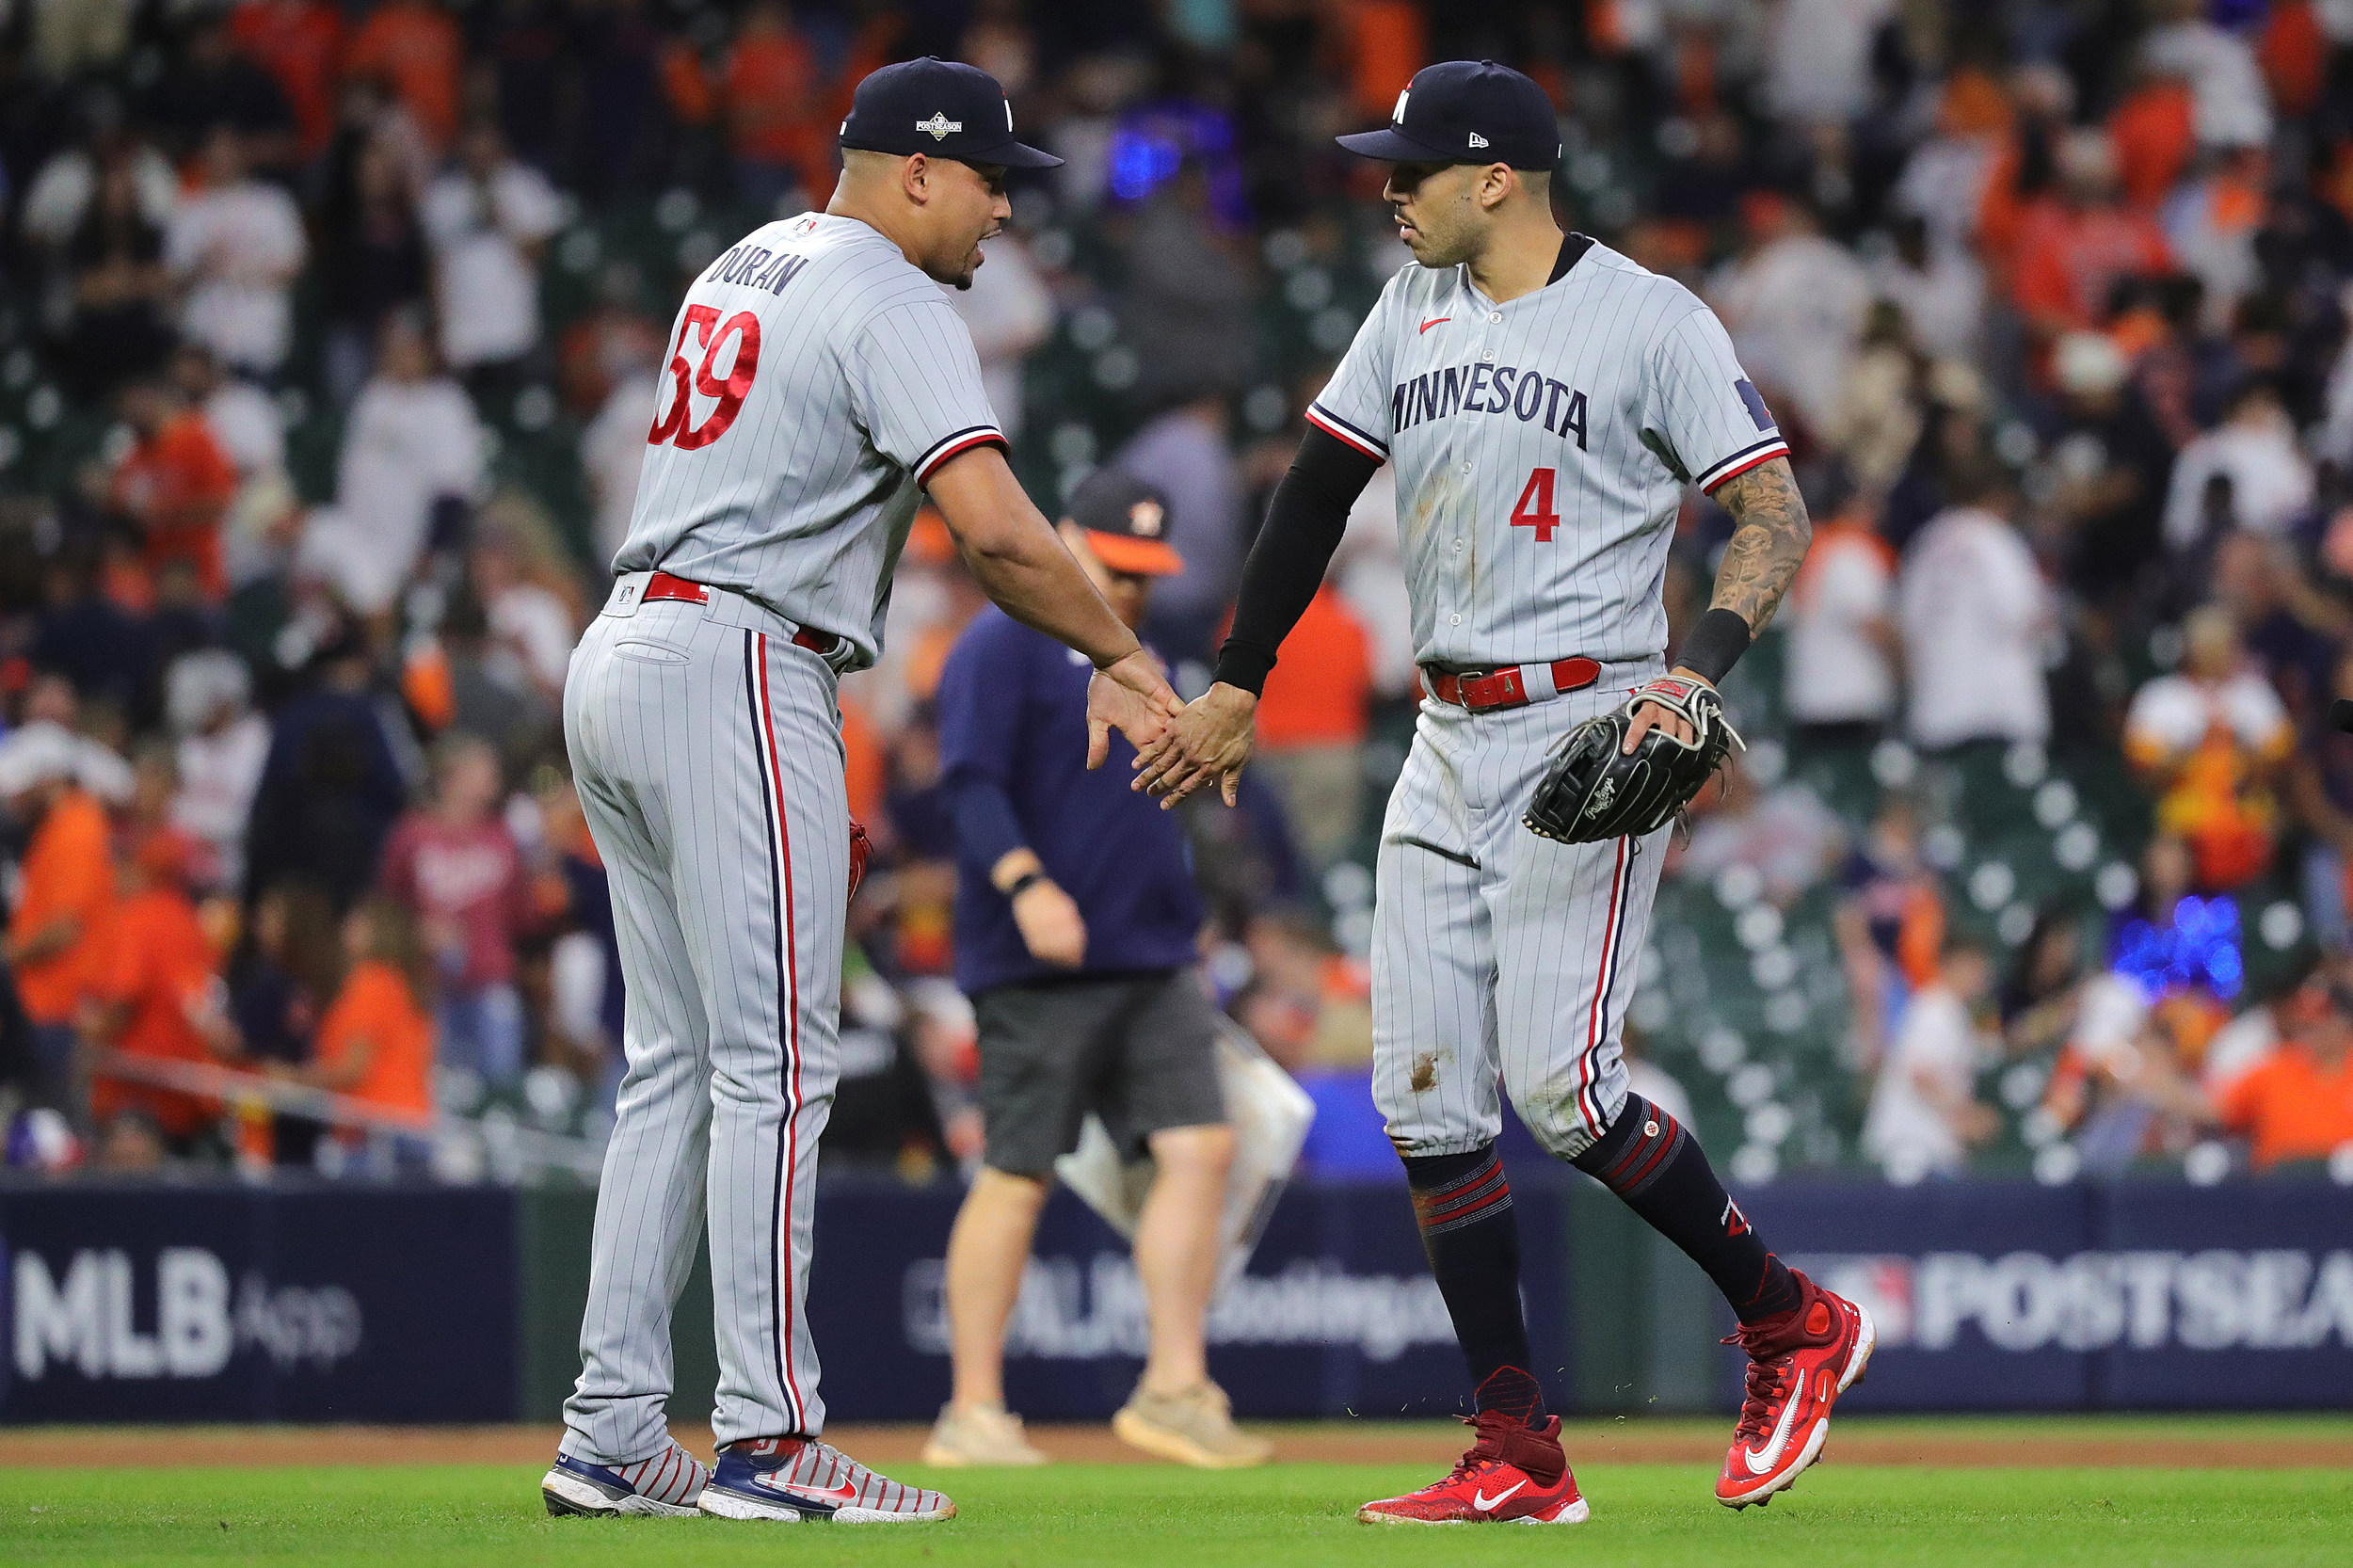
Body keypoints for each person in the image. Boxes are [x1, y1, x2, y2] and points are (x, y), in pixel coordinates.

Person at [1134, 60, 1870, 1523]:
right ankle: (1517, 1447)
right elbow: (1316, 489)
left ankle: (1794, 1319)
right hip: (1442, 728)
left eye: (1408, 170)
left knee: (1563, 1090)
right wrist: (1238, 675)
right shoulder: (1406, 310)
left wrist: (1699, 664)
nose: (1386, 190)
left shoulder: (1651, 318)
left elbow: (1773, 511)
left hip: (1588, 720)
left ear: (1495, 179)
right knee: (1422, 1097)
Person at [547, 59, 1180, 1527]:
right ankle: (769, 1439)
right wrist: (1124, 649)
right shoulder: (897, 294)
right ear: (913, 170)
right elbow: (1000, 535)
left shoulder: (746, 261)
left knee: (675, 1063)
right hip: (739, 656)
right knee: (776, 1063)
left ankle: (613, 1426)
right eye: (988, 179)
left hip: (630, 645)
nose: (1003, 207)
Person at [925, 470, 1265, 1470]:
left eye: (1144, 573)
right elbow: (968, 781)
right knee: (1017, 1173)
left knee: (1202, 1149)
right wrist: (1025, 882)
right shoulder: (1000, 640)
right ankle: (972, 1412)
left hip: (1149, 953)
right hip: (1038, 960)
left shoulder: (1138, 651)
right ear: (1064, 536)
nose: (1130, 590)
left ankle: (1172, 1385)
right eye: (1115, 566)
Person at [377, 732, 532, 1086]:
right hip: (430, 986)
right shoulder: (413, 834)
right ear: (451, 776)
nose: (493, 777)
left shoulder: (502, 836)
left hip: (492, 981)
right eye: (482, 768)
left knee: (500, 1088)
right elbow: (388, 908)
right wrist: (416, 932)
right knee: (438, 1087)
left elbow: (525, 915)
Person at [1860, 936, 1999, 1180]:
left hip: (1932, 1148)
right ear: (1953, 965)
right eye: (1975, 967)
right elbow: (1920, 1077)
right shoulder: (1934, 1010)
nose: (1981, 976)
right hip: (1912, 1149)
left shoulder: (1953, 1011)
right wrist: (1968, 1113)